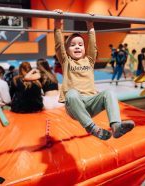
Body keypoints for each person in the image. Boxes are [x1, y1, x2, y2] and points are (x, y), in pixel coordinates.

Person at [54, 9, 135, 140]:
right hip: (75, 106)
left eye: (80, 44)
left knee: (108, 93)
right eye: (73, 45)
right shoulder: (66, 61)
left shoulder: (89, 60)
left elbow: (93, 44)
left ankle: (116, 126)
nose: (77, 47)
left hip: (90, 103)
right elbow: (58, 45)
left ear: (85, 48)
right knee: (72, 93)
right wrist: (57, 22)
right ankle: (92, 128)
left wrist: (90, 25)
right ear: (66, 50)